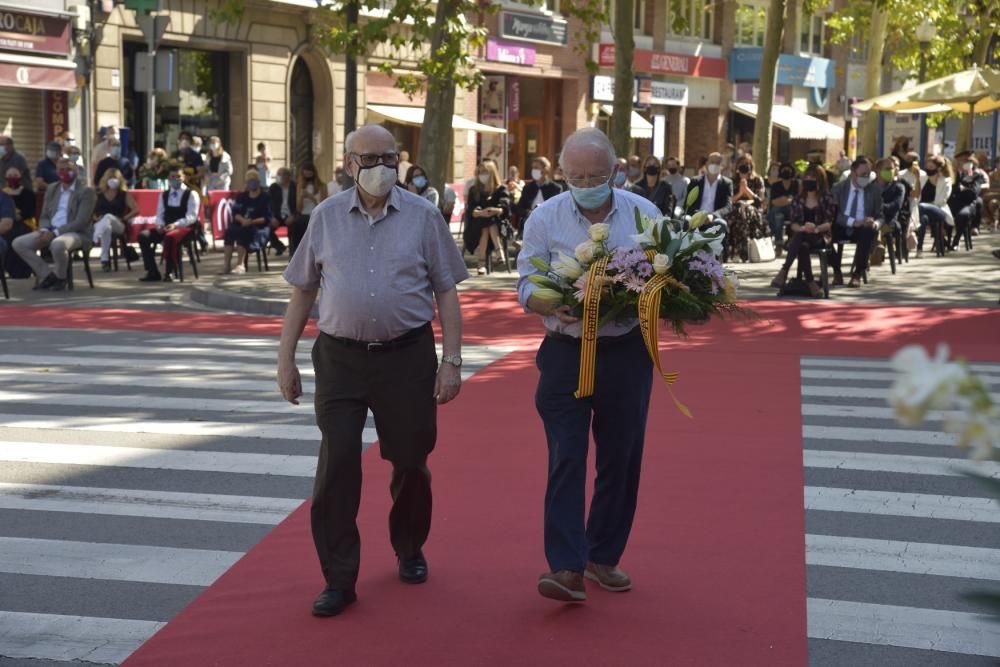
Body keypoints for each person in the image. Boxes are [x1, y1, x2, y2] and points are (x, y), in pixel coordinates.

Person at [277, 124, 468, 618]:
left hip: (407, 356)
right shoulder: (324, 217)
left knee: (410, 460)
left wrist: (451, 361)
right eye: (370, 158)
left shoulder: (425, 217)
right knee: (337, 464)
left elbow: (446, 289)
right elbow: (302, 289)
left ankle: (409, 545)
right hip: (339, 359)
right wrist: (285, 359)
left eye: (390, 157)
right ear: (347, 164)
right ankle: (339, 577)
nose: (381, 167)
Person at [516, 127, 659, 603]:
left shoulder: (644, 213)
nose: (585, 183)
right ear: (562, 174)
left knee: (621, 460)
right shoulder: (545, 217)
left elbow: (670, 276)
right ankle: (565, 567)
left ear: (616, 171)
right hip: (565, 352)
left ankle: (602, 554)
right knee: (567, 456)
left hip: (626, 352)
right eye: (576, 176)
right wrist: (545, 303)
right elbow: (525, 281)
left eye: (595, 175)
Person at [12, 157, 95, 291]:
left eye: (69, 169)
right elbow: (44, 215)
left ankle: (61, 279)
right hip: (50, 229)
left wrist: (54, 233)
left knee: (58, 244)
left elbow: (81, 221)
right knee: (19, 243)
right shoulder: (52, 189)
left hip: (76, 233)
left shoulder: (86, 191)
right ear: (56, 172)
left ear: (76, 170)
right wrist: (45, 229)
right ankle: (48, 276)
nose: (65, 172)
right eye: (61, 170)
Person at [770, 164, 835, 298]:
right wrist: (803, 228)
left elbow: (829, 223)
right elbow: (793, 223)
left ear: (820, 180)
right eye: (807, 178)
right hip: (802, 236)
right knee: (803, 244)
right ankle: (811, 283)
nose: (809, 181)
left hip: (820, 236)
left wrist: (816, 228)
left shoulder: (827, 197)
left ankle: (784, 271)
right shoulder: (798, 199)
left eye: (813, 178)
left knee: (800, 239)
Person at [138, 164, 200, 283]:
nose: (175, 179)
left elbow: (192, 216)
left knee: (170, 237)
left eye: (178, 176)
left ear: (183, 178)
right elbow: (160, 213)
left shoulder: (191, 194)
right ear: (168, 178)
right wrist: (159, 225)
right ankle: (152, 271)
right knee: (143, 236)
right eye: (172, 176)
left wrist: (176, 225)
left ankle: (169, 271)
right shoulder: (164, 194)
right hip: (166, 226)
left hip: (184, 228)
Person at [830, 157, 881, 288]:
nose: (866, 177)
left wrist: (875, 223)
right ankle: (837, 271)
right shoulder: (838, 188)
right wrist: (853, 222)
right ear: (853, 173)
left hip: (863, 227)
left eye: (868, 174)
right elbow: (834, 215)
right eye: (863, 174)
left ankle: (857, 273)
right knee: (824, 234)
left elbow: (880, 215)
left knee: (869, 231)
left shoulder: (873, 190)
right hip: (842, 225)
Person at [462, 160, 511, 274]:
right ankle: (499, 253)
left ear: (492, 173)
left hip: (499, 226)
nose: (482, 175)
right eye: (480, 172)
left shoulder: (501, 189)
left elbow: (506, 208)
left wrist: (497, 210)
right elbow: (470, 211)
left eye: (485, 172)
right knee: (485, 222)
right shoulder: (474, 190)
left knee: (489, 221)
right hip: (475, 227)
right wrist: (480, 213)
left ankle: (481, 263)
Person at [222, 170, 272, 274]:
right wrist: (242, 220)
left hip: (258, 227)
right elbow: (235, 212)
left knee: (243, 232)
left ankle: (240, 265)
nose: (251, 183)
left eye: (253, 180)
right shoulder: (242, 196)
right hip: (243, 223)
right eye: (249, 181)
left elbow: (267, 217)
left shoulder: (265, 197)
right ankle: (226, 265)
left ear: (258, 181)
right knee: (230, 230)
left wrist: (252, 222)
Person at [92, 168, 139, 271]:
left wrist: (124, 218)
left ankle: (95, 236)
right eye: (110, 178)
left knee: (108, 216)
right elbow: (92, 212)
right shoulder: (99, 195)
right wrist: (96, 218)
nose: (113, 180)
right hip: (101, 223)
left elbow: (136, 210)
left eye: (115, 178)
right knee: (107, 228)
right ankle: (105, 259)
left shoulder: (124, 194)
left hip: (119, 224)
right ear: (105, 179)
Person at [725, 155, 766, 263]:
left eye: (747, 164)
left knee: (743, 211)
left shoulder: (757, 180)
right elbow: (728, 200)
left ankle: (739, 252)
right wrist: (740, 194)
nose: (744, 167)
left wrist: (746, 190)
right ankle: (742, 252)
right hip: (735, 209)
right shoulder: (731, 181)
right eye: (742, 164)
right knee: (739, 211)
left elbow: (760, 201)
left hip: (753, 210)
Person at [685, 152, 733, 240]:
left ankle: (718, 253)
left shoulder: (726, 184)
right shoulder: (695, 181)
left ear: (721, 166)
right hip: (696, 217)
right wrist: (700, 216)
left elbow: (728, 207)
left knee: (721, 224)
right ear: (706, 164)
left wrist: (713, 216)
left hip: (714, 219)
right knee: (686, 221)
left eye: (717, 163)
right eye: (712, 162)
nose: (714, 165)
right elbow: (687, 205)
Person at [916, 155, 954, 257]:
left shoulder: (946, 181)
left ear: (939, 168)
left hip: (939, 210)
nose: (928, 169)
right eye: (927, 167)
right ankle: (919, 248)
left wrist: (926, 205)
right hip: (922, 211)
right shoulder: (922, 178)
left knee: (921, 207)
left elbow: (941, 201)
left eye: (931, 167)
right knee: (923, 219)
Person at [949, 154, 986, 250]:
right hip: (953, 204)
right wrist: (962, 189)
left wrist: (962, 190)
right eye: (962, 162)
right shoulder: (955, 174)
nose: (965, 164)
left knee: (963, 215)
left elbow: (973, 193)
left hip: (968, 204)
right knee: (942, 216)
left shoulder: (977, 176)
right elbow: (952, 191)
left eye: (968, 162)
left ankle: (956, 240)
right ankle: (945, 241)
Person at [289, 162, 327, 254]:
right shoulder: (300, 186)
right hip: (304, 215)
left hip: (317, 214)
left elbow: (323, 205)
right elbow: (299, 209)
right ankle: (295, 253)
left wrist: (311, 197)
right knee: (296, 224)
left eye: (309, 173)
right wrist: (301, 198)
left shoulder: (322, 186)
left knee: (311, 223)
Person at [875, 157, 907, 263]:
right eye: (888, 169)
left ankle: (876, 246)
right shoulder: (870, 187)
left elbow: (894, 207)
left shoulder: (899, 187)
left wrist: (877, 207)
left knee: (877, 224)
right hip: (872, 219)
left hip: (890, 220)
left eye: (893, 169)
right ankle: (875, 247)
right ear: (878, 170)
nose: (891, 171)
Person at [516, 157, 563, 227]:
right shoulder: (528, 188)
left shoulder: (555, 188)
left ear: (546, 170)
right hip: (530, 222)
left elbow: (558, 210)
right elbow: (519, 208)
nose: (534, 170)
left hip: (549, 224)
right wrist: (527, 212)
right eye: (533, 168)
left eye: (536, 168)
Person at [766, 162, 798, 252]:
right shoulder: (776, 186)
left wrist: (784, 200)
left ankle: (791, 240)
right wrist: (788, 200)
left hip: (792, 212)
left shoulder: (796, 184)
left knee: (793, 212)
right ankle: (779, 243)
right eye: (784, 170)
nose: (786, 172)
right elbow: (774, 202)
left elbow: (797, 200)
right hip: (777, 211)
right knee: (778, 216)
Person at [269, 167, 296, 256]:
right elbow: (268, 203)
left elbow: (299, 204)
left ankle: (293, 253)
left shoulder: (295, 187)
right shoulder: (273, 187)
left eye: (281, 174)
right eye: (278, 174)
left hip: (291, 214)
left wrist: (293, 215)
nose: (279, 177)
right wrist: (272, 216)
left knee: (295, 228)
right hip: (277, 215)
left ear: (288, 176)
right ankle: (279, 246)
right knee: (266, 228)